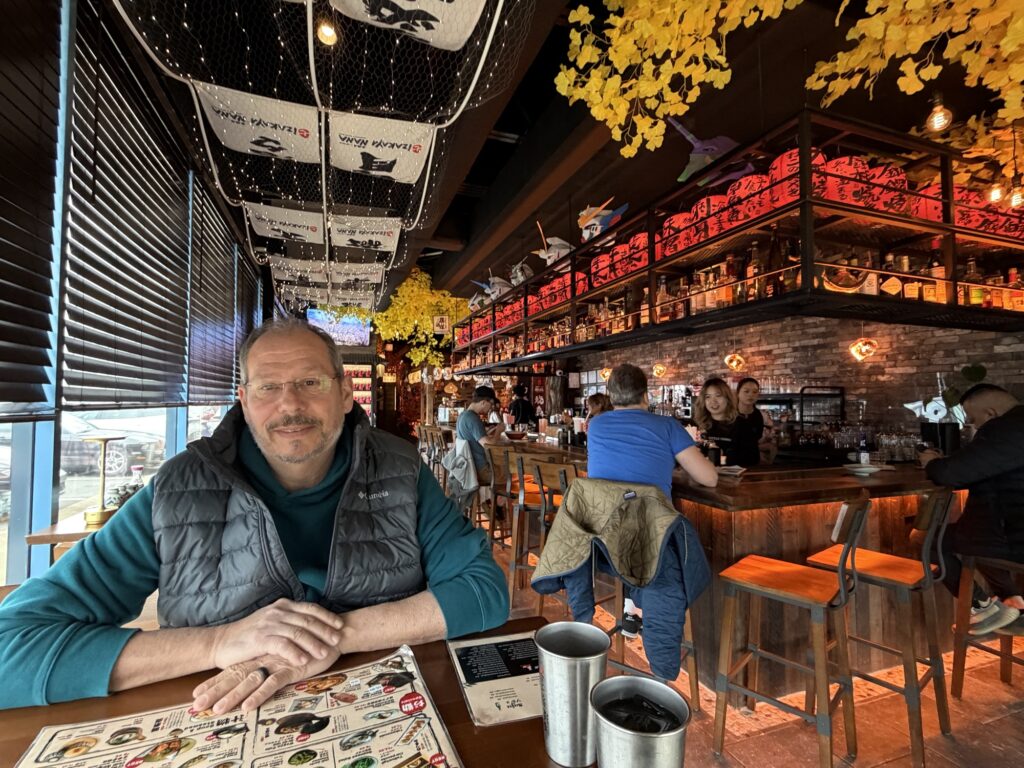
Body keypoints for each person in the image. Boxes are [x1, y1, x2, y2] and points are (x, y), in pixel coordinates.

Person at [0, 319, 509, 711]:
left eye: (310, 382)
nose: (290, 405)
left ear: (344, 393)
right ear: (243, 401)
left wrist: (326, 637)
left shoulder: (399, 469)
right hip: (217, 716)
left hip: (386, 707)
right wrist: (222, 642)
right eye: (267, 387)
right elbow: (12, 647)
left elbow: (485, 591)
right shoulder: (180, 489)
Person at [586, 364, 718, 637]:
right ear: (646, 395)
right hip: (650, 536)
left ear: (610, 395)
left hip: (602, 534)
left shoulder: (596, 425)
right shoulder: (667, 426)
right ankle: (640, 604)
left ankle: (633, 604)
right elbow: (709, 479)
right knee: (665, 545)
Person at [920, 383, 1024, 635]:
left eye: (974, 419)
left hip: (1013, 535)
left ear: (990, 413)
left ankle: (981, 606)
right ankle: (1013, 602)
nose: (974, 426)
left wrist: (932, 462)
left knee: (930, 541)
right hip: (1010, 532)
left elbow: (952, 474)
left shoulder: (1004, 429)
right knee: (973, 538)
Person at [455, 385, 506, 484]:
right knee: (516, 474)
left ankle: (491, 499)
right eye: (490, 405)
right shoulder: (473, 419)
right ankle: (500, 499)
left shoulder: (463, 415)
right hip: (481, 470)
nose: (491, 408)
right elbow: (489, 445)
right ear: (483, 402)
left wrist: (487, 432)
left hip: (470, 467)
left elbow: (473, 438)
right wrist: (499, 431)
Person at [693, 377, 747, 466]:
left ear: (727, 399)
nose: (713, 401)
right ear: (703, 401)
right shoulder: (697, 424)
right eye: (708, 397)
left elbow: (752, 457)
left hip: (732, 476)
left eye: (718, 396)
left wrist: (719, 457)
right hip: (702, 475)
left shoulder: (741, 424)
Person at [734, 377, 775, 466]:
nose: (750, 395)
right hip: (731, 465)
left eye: (755, 392)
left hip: (754, 463)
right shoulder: (729, 415)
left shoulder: (762, 416)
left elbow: (768, 441)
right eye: (746, 391)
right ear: (737, 393)